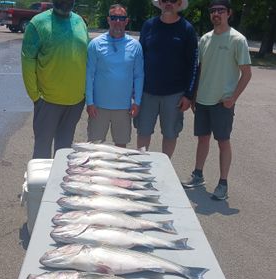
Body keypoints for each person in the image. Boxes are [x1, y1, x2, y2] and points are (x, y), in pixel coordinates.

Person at [182, 0, 252, 200]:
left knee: (223, 142)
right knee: (202, 139)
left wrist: (233, 98)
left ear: (228, 13)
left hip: (223, 102)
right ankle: (198, 175)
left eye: (220, 10)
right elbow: (201, 69)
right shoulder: (204, 39)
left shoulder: (237, 39)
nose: (216, 14)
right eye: (213, 11)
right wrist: (194, 95)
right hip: (203, 100)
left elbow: (246, 74)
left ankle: (223, 184)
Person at [21, 0, 88, 159]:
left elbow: (86, 56)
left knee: (64, 152)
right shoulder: (38, 23)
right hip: (47, 101)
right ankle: (40, 184)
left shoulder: (80, 22)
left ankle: (58, 183)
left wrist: (84, 93)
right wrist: (36, 97)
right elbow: (27, 60)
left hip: (75, 102)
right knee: (42, 152)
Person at [134, 0, 198, 158]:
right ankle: (140, 165)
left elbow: (193, 66)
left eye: (173, 0)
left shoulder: (187, 29)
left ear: (180, 4)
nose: (169, 3)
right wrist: (135, 89)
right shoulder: (149, 25)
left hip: (174, 94)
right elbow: (138, 59)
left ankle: (166, 165)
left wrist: (188, 95)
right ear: (159, 3)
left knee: (170, 133)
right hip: (147, 91)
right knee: (143, 130)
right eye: (164, 0)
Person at [86, 4, 144, 148]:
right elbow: (89, 74)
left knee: (121, 149)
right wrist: (89, 102)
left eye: (121, 18)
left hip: (124, 107)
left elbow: (139, 75)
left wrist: (137, 102)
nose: (117, 21)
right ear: (108, 20)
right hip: (98, 107)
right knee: (94, 147)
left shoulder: (135, 46)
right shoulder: (95, 44)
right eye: (114, 18)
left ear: (126, 21)